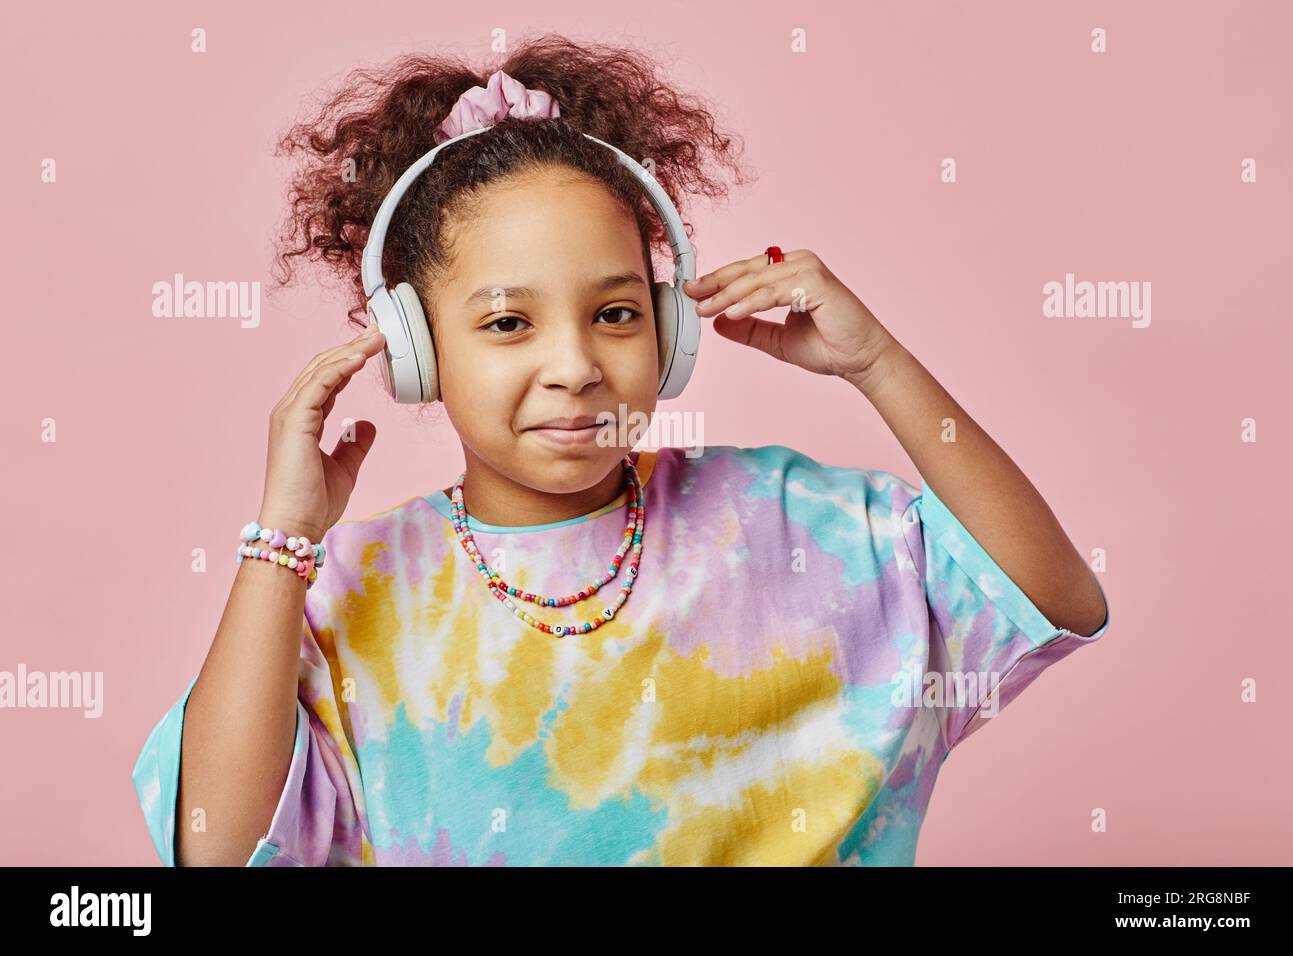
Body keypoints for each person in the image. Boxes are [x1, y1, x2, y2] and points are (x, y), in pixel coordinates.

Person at [131, 34, 1109, 867]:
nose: (574, 365)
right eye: (508, 322)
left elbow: (1053, 599)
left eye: (613, 312)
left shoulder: (787, 520)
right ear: (418, 349)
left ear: (670, 333)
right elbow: (216, 842)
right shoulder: (351, 587)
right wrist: (282, 538)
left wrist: (879, 364)